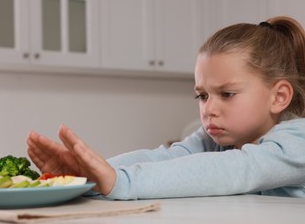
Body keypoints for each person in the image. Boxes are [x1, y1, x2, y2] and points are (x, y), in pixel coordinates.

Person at [27, 16, 305, 199]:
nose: (209, 109)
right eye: (203, 96)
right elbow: (166, 158)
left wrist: (120, 181)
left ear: (279, 97)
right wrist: (88, 175)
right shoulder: (214, 139)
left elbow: (234, 170)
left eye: (227, 94)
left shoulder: (297, 142)